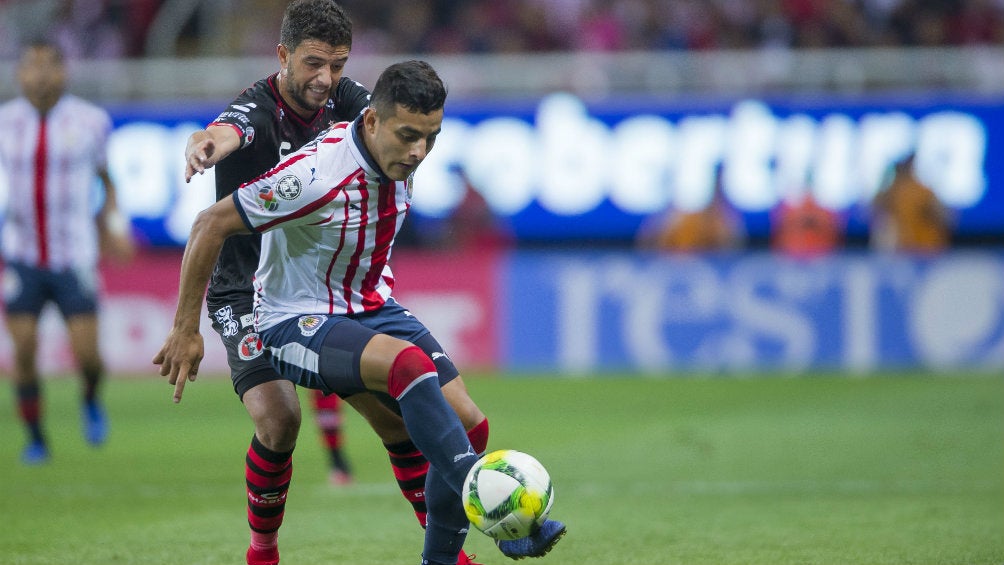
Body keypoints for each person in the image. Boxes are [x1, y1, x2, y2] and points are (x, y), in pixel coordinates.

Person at [175, 3, 560, 564]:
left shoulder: (371, 112)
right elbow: (216, 195)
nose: (418, 152)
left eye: (430, 139)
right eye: (409, 137)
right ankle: (487, 512)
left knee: (467, 420)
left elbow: (389, 95)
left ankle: (442, 556)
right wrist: (186, 327)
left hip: (364, 303)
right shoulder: (312, 170)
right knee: (307, 409)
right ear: (284, 56)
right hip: (283, 312)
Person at [0, 39, 135, 465]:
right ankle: (37, 438)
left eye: (48, 66)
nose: (40, 75)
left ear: (63, 72)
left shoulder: (90, 121)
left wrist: (114, 226)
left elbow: (106, 179)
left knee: (89, 356)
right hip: (22, 254)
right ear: (20, 73)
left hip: (74, 255)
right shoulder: (5, 122)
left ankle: (91, 398)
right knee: (22, 352)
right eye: (31, 66)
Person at [870, 154, 952, 253]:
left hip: (925, 248)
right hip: (903, 248)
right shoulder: (894, 191)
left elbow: (943, 217)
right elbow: (874, 209)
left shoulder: (922, 192)